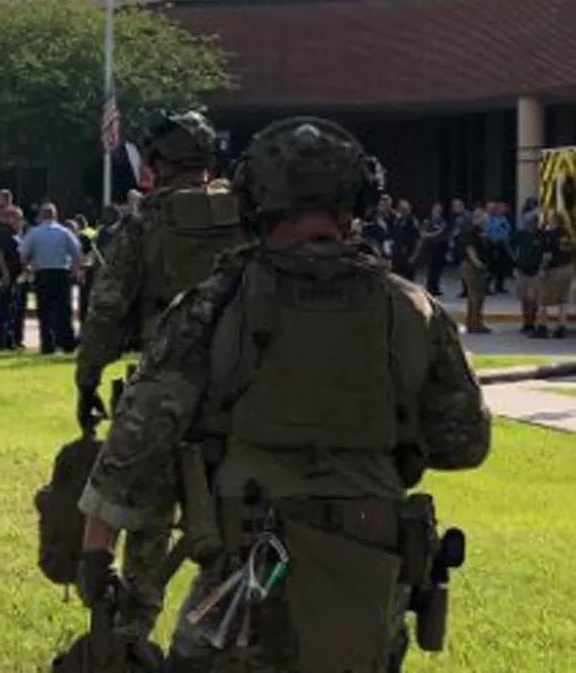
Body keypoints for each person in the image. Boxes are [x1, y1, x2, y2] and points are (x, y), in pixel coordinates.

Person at [74, 117, 492, 673]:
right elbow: (465, 443)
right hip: (369, 578)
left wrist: (95, 554)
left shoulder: (212, 305)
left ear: (255, 200)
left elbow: (136, 444)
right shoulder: (411, 310)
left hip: (248, 571)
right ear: (358, 200)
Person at [73, 110, 249, 649]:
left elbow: (106, 311)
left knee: (146, 518)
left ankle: (131, 633)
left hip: (165, 385)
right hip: (245, 391)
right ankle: (226, 634)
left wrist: (87, 379)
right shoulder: (251, 214)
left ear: (157, 163)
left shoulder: (145, 222)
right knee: (240, 519)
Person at [19, 203, 81, 355]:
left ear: (41, 215)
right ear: (55, 215)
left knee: (45, 311)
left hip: (43, 274)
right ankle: (68, 343)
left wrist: (28, 266)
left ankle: (48, 345)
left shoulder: (34, 233)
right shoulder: (64, 232)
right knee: (64, 310)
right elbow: (77, 251)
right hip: (62, 273)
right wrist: (74, 269)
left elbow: (22, 253)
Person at [0, 205, 27, 351]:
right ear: (10, 218)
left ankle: (9, 340)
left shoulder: (14, 235)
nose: (21, 222)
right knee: (4, 309)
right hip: (4, 277)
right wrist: (5, 273)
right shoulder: (3, 234)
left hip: (13, 277)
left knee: (10, 309)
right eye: (18, 219)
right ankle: (1, 341)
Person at [459, 211, 492, 334]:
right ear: (476, 219)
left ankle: (475, 322)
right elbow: (470, 249)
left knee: (478, 296)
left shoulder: (481, 233)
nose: (485, 223)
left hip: (478, 266)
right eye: (483, 220)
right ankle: (474, 324)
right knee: (475, 295)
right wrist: (479, 264)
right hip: (472, 266)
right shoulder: (471, 232)